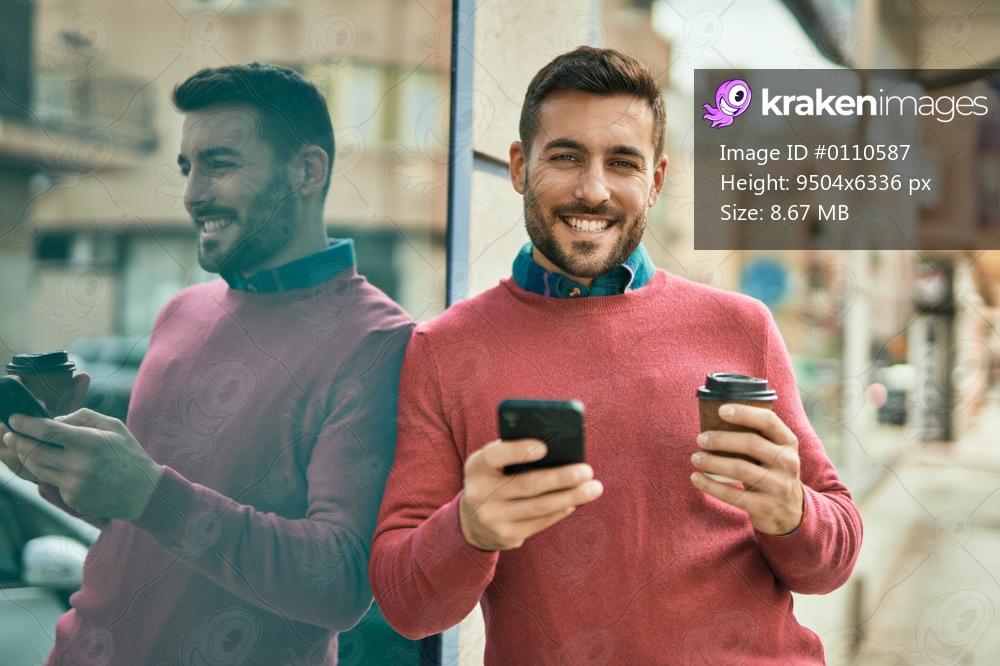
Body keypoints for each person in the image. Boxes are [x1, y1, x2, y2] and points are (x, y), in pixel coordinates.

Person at [369, 46, 862, 664]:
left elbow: (832, 561)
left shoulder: (742, 326)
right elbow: (405, 606)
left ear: (654, 181)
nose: (592, 189)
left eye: (622, 162)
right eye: (566, 156)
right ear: (520, 168)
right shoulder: (442, 351)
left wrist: (793, 513)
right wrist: (467, 530)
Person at [1, 63, 414, 665]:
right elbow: (146, 526)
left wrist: (149, 493)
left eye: (219, 164)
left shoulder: (380, 342)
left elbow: (340, 583)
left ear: (307, 170)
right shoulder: (181, 312)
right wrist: (57, 466)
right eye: (187, 168)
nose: (194, 193)